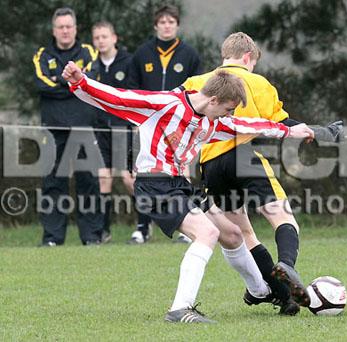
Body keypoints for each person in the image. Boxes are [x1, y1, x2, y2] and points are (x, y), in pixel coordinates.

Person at [62, 61, 314, 322]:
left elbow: (244, 126)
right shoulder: (166, 104)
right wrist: (80, 82)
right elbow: (118, 97)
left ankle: (260, 291)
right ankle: (180, 309)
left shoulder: (209, 122)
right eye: (227, 109)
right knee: (208, 232)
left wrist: (288, 131)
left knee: (232, 233)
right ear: (214, 99)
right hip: (155, 186)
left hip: (178, 186)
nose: (227, 116)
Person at [181, 32, 344, 310]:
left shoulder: (197, 82)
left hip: (211, 164)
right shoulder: (258, 82)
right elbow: (284, 124)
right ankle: (287, 264)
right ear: (248, 57)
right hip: (245, 155)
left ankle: (284, 295)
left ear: (225, 55)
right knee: (282, 217)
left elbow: (181, 118)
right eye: (253, 62)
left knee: (243, 232)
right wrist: (322, 132)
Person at [128, 4, 203, 244]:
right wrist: (135, 121)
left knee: (181, 172)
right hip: (148, 125)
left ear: (177, 25)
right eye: (162, 22)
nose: (167, 25)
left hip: (179, 125)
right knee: (144, 172)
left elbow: (197, 90)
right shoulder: (142, 53)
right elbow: (132, 89)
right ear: (155, 25)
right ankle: (142, 228)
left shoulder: (189, 54)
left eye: (171, 21)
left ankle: (184, 226)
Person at [33, 7, 102, 246]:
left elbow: (92, 80)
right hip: (53, 129)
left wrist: (61, 84)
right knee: (53, 183)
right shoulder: (42, 54)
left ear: (75, 29)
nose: (65, 31)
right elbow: (41, 84)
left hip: (84, 127)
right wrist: (73, 84)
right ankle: (52, 238)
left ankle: (92, 237)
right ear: (54, 30)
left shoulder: (88, 51)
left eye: (68, 26)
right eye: (60, 27)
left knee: (89, 182)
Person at [91, 21, 137, 243]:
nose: (101, 41)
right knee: (104, 179)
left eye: (104, 36)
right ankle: (103, 231)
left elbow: (135, 95)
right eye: (97, 37)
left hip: (124, 128)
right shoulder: (92, 67)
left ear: (114, 38)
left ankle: (143, 226)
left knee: (128, 179)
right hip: (101, 129)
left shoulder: (128, 62)